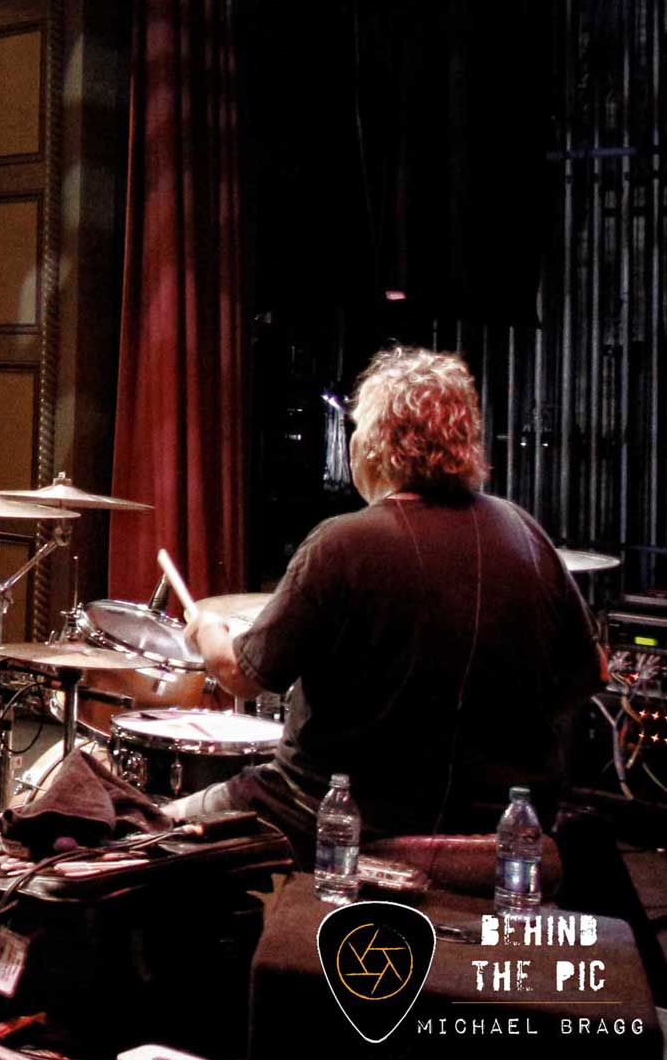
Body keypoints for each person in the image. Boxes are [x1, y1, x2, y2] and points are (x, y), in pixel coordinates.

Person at [172, 346, 604, 858]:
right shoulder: (523, 531)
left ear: (375, 446)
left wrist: (206, 629)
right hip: (501, 830)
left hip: (334, 816)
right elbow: (592, 671)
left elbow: (243, 676)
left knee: (160, 822)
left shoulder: (343, 543)